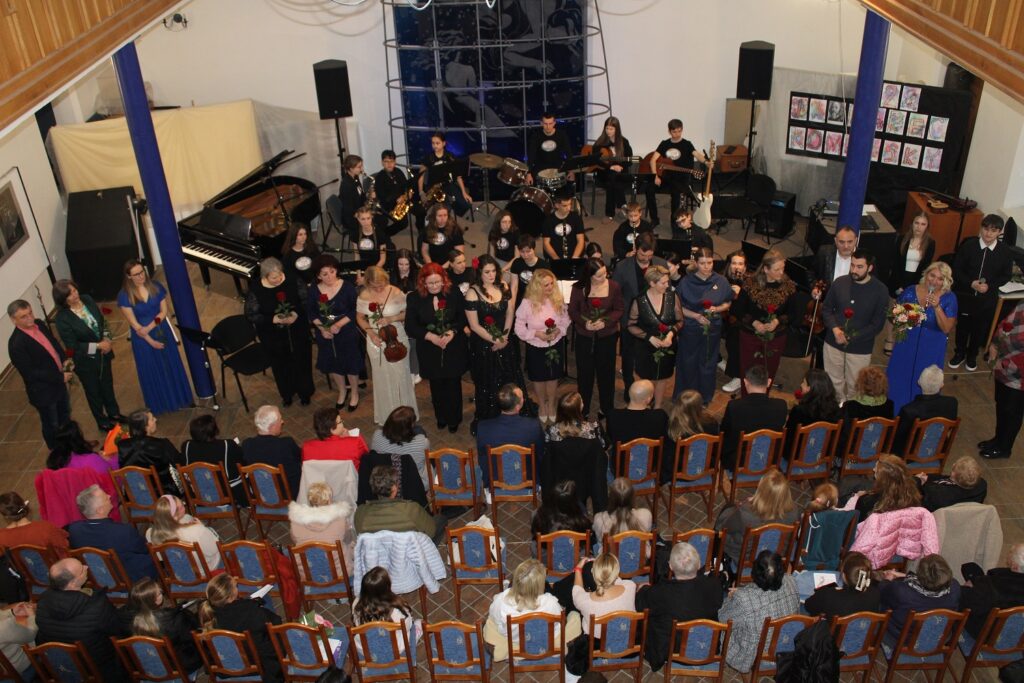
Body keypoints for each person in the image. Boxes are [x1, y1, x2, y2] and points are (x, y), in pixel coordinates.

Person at [117, 260, 193, 415]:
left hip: (160, 329)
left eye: (142, 272)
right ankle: (161, 404)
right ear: (129, 277)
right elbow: (135, 325)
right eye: (136, 274)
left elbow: (163, 312)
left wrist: (151, 326)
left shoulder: (156, 286)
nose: (141, 276)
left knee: (170, 364)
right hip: (143, 339)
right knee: (152, 370)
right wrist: (150, 341)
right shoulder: (124, 296)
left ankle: (179, 398)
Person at [635, 542, 724, 672]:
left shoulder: (662, 592)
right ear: (699, 564)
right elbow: (717, 603)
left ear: (670, 566)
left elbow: (640, 605)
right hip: (707, 647)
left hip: (673, 650)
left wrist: (642, 589)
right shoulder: (714, 585)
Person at [36, 558, 127, 682]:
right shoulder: (97, 605)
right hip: (99, 667)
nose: (86, 567)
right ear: (73, 583)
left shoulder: (42, 602)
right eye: (82, 569)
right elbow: (118, 629)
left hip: (65, 666)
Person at [465, 255, 527, 433]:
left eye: (493, 271)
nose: (491, 275)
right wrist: (496, 340)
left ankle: (512, 415)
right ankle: (491, 418)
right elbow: (474, 326)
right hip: (484, 345)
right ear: (479, 273)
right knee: (487, 382)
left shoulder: (503, 286)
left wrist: (504, 337)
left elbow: (510, 312)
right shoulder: (472, 293)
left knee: (508, 378)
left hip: (505, 341)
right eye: (487, 272)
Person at [404, 263, 470, 432]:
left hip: (453, 345)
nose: (434, 286)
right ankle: (441, 416)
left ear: (444, 280)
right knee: (436, 385)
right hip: (429, 348)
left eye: (437, 282)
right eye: (430, 283)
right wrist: (431, 336)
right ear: (423, 282)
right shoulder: (414, 298)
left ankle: (454, 419)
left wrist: (452, 332)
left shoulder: (454, 293)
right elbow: (410, 326)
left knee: (453, 384)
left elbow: (462, 317)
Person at [887, 262, 958, 413]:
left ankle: (920, 417)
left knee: (925, 381)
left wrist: (937, 307)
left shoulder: (950, 298)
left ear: (945, 281)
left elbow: (946, 328)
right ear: (926, 274)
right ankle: (895, 413)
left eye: (940, 279)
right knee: (898, 378)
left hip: (931, 348)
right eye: (932, 275)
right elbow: (893, 316)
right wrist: (906, 316)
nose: (934, 281)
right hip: (906, 344)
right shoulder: (910, 291)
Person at [820, 249, 890, 402]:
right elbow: (826, 309)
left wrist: (851, 337)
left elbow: (877, 325)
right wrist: (835, 329)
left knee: (856, 385)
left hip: (860, 348)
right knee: (833, 382)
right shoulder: (840, 282)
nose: (854, 270)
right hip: (833, 341)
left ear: (870, 268)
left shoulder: (880, 291)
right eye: (852, 265)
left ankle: (850, 411)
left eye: (859, 267)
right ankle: (836, 407)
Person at [245, 256, 314, 407]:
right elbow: (251, 314)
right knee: (280, 365)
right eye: (274, 278)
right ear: (265, 276)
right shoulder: (256, 289)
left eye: (280, 275)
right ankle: (287, 394)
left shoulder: (293, 279)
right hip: (273, 336)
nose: (278, 280)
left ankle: (305, 393)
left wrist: (296, 314)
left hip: (297, 330)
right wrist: (273, 319)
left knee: (302, 361)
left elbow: (306, 300)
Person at [53, 279, 120, 431]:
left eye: (74, 290)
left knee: (107, 385)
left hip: (104, 352)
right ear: (62, 299)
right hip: (85, 361)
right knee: (93, 391)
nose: (75, 294)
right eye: (70, 294)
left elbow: (102, 322)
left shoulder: (87, 299)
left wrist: (107, 339)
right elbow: (73, 346)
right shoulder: (62, 318)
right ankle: (102, 421)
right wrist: (98, 346)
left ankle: (114, 413)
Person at [483, 558, 582, 661]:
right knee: (574, 616)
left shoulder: (502, 600)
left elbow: (493, 615)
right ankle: (550, 649)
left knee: (490, 622)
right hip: (547, 640)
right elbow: (560, 621)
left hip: (515, 640)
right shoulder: (550, 602)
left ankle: (514, 652)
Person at [717, 550, 799, 674]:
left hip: (753, 656)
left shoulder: (743, 600)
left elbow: (722, 618)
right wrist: (742, 592)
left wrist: (731, 598)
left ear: (755, 573)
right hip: (786, 647)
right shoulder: (792, 581)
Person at [951, 214, 1014, 371]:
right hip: (967, 294)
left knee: (979, 329)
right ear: (981, 228)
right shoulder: (968, 246)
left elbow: (1006, 275)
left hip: (987, 299)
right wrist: (970, 283)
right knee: (963, 326)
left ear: (999, 232)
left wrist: (990, 286)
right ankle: (959, 352)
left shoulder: (1005, 251)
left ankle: (972, 356)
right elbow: (957, 269)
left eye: (993, 230)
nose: (988, 233)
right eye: (986, 229)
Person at [355, 266, 418, 426]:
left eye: (382, 284)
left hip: (396, 337)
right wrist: (371, 334)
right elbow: (360, 318)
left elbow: (408, 313)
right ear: (368, 283)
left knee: (401, 375)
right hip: (375, 339)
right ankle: (387, 415)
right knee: (381, 377)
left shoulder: (395, 292)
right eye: (375, 286)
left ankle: (406, 414)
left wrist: (391, 319)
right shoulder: (364, 295)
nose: (379, 288)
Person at [7, 299, 72, 448]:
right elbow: (31, 373)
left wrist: (64, 359)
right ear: (13, 320)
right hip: (44, 392)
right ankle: (57, 451)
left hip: (59, 382)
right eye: (24, 316)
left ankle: (70, 445)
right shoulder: (16, 344)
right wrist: (59, 377)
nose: (30, 318)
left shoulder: (39, 324)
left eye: (30, 313)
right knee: (52, 424)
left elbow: (53, 343)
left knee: (65, 415)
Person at [733, 248, 797, 389]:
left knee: (769, 371)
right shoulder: (750, 283)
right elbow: (737, 309)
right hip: (750, 335)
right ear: (766, 269)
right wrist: (754, 322)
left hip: (776, 337)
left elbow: (793, 313)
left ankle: (763, 398)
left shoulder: (789, 286)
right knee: (748, 370)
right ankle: (747, 398)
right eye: (777, 269)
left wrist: (777, 321)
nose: (781, 272)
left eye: (783, 268)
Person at [198, 573, 282, 681]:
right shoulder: (252, 612)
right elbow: (276, 622)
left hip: (224, 668)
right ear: (233, 594)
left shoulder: (206, 616)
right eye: (236, 586)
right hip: (256, 665)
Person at [568, 258, 624, 418]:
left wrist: (606, 322)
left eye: (605, 273)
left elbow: (619, 309)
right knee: (585, 374)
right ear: (589, 275)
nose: (604, 277)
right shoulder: (578, 288)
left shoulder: (614, 286)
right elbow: (573, 311)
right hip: (585, 337)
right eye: (599, 275)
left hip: (607, 337)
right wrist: (585, 324)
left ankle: (606, 408)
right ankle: (583, 408)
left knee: (606, 374)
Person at [675, 247, 732, 403]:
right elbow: (678, 307)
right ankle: (685, 396)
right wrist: (696, 316)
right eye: (702, 263)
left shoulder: (721, 281)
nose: (707, 267)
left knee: (708, 361)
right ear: (696, 263)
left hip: (712, 328)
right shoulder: (686, 282)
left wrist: (717, 309)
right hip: (691, 327)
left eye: (710, 262)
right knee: (688, 361)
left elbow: (728, 302)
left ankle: (704, 396)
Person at [67, 484, 157, 582]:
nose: (109, 496)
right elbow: (145, 549)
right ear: (100, 510)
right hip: (129, 578)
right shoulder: (124, 531)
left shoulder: (73, 530)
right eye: (105, 498)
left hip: (99, 578)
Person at [308, 254, 363, 412]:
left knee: (350, 363)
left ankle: (354, 392)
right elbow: (311, 312)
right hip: (325, 333)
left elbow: (355, 310)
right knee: (334, 364)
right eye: (325, 274)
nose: (330, 276)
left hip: (346, 330)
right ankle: (342, 391)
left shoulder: (347, 287)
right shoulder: (314, 290)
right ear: (318, 276)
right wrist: (322, 329)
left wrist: (338, 324)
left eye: (332, 272)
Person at [515, 267, 570, 422]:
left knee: (553, 376)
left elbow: (565, 319)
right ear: (537, 286)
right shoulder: (527, 303)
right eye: (546, 285)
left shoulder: (557, 299)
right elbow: (519, 328)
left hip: (555, 344)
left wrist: (559, 330)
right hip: (535, 346)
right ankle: (542, 404)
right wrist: (536, 334)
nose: (550, 287)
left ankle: (551, 404)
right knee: (538, 378)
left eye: (552, 283)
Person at [118, 577, 201, 674]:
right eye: (160, 593)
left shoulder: (122, 619)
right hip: (178, 666)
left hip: (145, 667)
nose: (162, 592)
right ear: (155, 600)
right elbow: (192, 638)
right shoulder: (175, 619)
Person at [627, 265, 683, 410]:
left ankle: (657, 407)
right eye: (663, 282)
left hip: (667, 345)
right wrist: (649, 338)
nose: (667, 285)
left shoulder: (672, 297)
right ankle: (643, 406)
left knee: (663, 377)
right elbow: (631, 325)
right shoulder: (639, 300)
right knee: (645, 378)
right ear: (652, 283)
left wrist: (670, 335)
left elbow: (680, 321)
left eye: (667, 281)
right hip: (645, 347)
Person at [719, 467, 799, 563]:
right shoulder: (794, 511)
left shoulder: (745, 513)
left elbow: (726, 527)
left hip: (746, 557)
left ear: (761, 490)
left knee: (725, 516)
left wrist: (742, 504)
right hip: (776, 555)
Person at [719, 365, 788, 473]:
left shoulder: (734, 406)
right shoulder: (781, 405)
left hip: (739, 461)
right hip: (769, 459)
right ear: (769, 382)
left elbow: (724, 432)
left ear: (745, 382)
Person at [476, 384, 545, 493]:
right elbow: (541, 453)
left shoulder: (483, 427)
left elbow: (482, 457)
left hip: (495, 484)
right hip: (528, 482)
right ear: (518, 406)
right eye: (522, 398)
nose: (524, 399)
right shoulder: (533, 426)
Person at [880, 553, 961, 643]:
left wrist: (887, 580)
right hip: (938, 638)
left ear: (919, 574)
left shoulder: (902, 591)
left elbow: (882, 590)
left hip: (904, 639)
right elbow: (932, 582)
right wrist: (904, 575)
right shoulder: (955, 588)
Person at [353, 465, 445, 543]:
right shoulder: (411, 509)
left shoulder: (360, 512)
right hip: (410, 553)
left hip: (378, 556)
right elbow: (431, 532)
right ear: (394, 489)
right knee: (440, 519)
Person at [886, 212, 935, 354]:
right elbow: (895, 263)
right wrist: (899, 285)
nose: (919, 227)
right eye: (916, 223)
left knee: (909, 313)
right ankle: (889, 339)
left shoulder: (930, 243)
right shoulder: (902, 239)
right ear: (912, 224)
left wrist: (912, 287)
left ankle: (902, 341)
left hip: (916, 281)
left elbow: (925, 267)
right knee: (893, 312)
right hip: (898, 279)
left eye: (923, 224)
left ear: (927, 226)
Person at [981, 300, 1024, 459]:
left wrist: (1002, 349)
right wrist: (994, 344)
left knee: (1012, 412)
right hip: (1004, 365)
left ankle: (1004, 448)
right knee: (1001, 404)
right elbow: (1005, 323)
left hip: (1019, 374)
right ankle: (998, 439)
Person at [644, 118, 702, 227]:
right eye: (674, 132)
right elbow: (652, 160)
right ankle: (655, 219)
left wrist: (706, 161)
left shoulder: (687, 144)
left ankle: (674, 222)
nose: (677, 134)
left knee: (676, 194)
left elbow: (697, 155)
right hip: (665, 177)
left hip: (680, 179)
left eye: (679, 131)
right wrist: (655, 176)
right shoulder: (665, 144)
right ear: (669, 131)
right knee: (649, 189)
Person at [959, 543, 1024, 639]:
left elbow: (970, 606)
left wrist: (967, 590)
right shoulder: (992, 582)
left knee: (958, 598)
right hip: (1017, 637)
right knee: (972, 569)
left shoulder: (992, 585)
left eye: (1010, 559)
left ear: (1015, 566)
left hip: (986, 635)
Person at [179, 413, 245, 505]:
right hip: (226, 497)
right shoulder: (227, 445)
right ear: (214, 430)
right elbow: (242, 462)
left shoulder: (186, 446)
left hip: (199, 498)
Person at [606, 379, 669, 476]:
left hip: (620, 468)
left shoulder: (613, 416)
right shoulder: (660, 416)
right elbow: (664, 438)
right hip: (650, 466)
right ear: (648, 399)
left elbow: (610, 438)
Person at [892, 365, 959, 455]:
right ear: (942, 385)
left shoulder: (909, 410)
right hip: (937, 450)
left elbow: (898, 438)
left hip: (910, 454)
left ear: (919, 382)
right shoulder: (952, 403)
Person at [352, 567, 421, 653]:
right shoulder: (396, 610)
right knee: (419, 623)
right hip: (394, 648)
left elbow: (356, 623)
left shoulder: (356, 604)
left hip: (366, 648)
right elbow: (407, 626)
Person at [288, 481, 354, 570]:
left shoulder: (296, 521)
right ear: (329, 500)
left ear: (310, 500)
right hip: (339, 571)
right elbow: (348, 538)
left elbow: (294, 540)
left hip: (308, 571)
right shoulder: (340, 520)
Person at [241, 405, 303, 500]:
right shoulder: (286, 444)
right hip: (290, 495)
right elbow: (301, 458)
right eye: (280, 420)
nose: (282, 422)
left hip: (264, 496)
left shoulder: (247, 445)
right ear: (272, 426)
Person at [146, 494, 222, 570]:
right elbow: (214, 550)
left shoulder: (150, 533)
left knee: (187, 517)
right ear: (176, 515)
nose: (184, 504)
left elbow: (160, 557)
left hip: (180, 571)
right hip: (205, 569)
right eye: (182, 504)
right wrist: (202, 527)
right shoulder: (197, 530)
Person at [117, 409, 181, 496]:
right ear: (145, 426)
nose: (155, 419)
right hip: (162, 494)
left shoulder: (122, 446)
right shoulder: (162, 444)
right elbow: (178, 463)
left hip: (135, 494)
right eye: (152, 419)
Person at [571, 553, 636, 638]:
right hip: (627, 639)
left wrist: (578, 569)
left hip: (596, 643)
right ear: (617, 572)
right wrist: (606, 569)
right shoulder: (631, 586)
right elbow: (617, 580)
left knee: (573, 614)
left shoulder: (584, 601)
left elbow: (577, 590)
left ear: (592, 572)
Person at [804, 551, 881, 619]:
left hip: (832, 630)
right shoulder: (875, 593)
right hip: (862, 630)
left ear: (844, 576)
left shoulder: (828, 595)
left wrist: (822, 592)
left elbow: (808, 606)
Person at [370, 406, 430, 489]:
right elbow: (426, 458)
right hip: (414, 482)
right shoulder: (422, 442)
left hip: (387, 480)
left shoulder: (376, 435)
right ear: (408, 429)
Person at [784, 369, 841, 455]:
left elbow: (788, 440)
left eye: (803, 383)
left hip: (796, 457)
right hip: (822, 457)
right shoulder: (836, 411)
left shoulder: (799, 411)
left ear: (810, 389)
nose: (801, 385)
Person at [850, 453, 923, 522]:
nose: (873, 469)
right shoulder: (913, 495)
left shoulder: (866, 501)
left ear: (882, 479)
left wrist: (856, 497)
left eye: (876, 470)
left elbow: (857, 525)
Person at [418, 131, 472, 218]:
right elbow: (420, 176)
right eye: (433, 143)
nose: (435, 145)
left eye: (437, 143)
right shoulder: (429, 157)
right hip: (434, 187)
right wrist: (421, 192)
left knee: (465, 204)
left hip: (448, 184)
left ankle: (446, 216)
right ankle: (435, 217)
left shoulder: (450, 156)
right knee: (446, 207)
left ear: (444, 143)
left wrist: (464, 193)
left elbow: (458, 176)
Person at [0, 491, 69, 555]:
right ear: (24, 505)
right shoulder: (45, 528)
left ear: (5, 516)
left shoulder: (2, 537)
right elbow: (64, 548)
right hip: (55, 564)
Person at [592, 116, 633, 220]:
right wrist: (611, 166)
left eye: (611, 129)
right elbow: (596, 161)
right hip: (604, 172)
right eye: (607, 128)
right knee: (612, 177)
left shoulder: (624, 142)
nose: (608, 131)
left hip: (621, 173)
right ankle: (622, 204)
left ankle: (609, 214)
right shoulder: (600, 142)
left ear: (617, 129)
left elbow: (629, 160)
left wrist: (620, 166)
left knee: (613, 180)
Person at [302, 408, 369, 470]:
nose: (342, 423)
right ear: (332, 429)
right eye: (340, 422)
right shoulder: (354, 443)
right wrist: (350, 438)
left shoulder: (306, 447)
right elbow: (366, 454)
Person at [720, 250, 748, 393]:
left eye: (740, 264)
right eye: (734, 263)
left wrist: (741, 293)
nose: (737, 267)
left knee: (735, 339)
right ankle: (718, 360)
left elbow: (750, 306)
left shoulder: (749, 282)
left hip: (740, 320)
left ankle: (738, 376)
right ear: (729, 265)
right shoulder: (722, 278)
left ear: (745, 267)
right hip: (723, 315)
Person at [373, 149, 419, 237]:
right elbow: (383, 198)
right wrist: (397, 198)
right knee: (403, 223)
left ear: (395, 162)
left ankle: (421, 230)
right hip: (389, 205)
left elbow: (406, 185)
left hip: (403, 200)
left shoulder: (398, 171)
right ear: (382, 163)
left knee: (420, 210)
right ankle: (384, 234)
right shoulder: (380, 177)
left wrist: (408, 192)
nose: (389, 164)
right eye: (386, 161)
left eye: (392, 161)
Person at [916, 455, 987, 511]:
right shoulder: (982, 486)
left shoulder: (936, 494)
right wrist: (929, 477)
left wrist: (918, 481)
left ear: (953, 474)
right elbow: (946, 478)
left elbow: (921, 500)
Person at [46, 420, 118, 476]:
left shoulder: (55, 459)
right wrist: (111, 460)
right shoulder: (91, 459)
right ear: (78, 438)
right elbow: (114, 475)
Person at [592, 477, 652, 542]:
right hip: (641, 549)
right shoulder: (646, 515)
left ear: (611, 498)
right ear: (632, 497)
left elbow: (599, 539)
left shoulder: (599, 519)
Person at [526, 113, 574, 188]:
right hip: (540, 166)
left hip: (557, 165)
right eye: (545, 124)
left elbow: (568, 152)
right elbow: (531, 155)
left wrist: (571, 171)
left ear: (554, 123)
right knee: (531, 182)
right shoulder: (535, 136)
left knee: (569, 181)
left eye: (550, 123)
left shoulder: (561, 135)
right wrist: (528, 173)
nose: (548, 127)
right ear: (541, 123)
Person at [666, 389, 720, 456]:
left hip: (681, 461)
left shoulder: (673, 426)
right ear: (700, 406)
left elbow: (670, 453)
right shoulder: (712, 423)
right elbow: (715, 448)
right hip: (707, 460)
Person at [508, 234, 551, 309]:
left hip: (538, 300)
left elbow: (547, 289)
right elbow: (514, 287)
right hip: (521, 299)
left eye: (528, 251)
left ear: (534, 249)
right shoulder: (516, 263)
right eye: (522, 252)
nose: (525, 255)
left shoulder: (544, 265)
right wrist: (512, 306)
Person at [543, 191, 585, 261]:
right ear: (557, 205)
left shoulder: (576, 217)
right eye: (565, 206)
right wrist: (557, 259)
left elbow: (580, 240)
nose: (569, 208)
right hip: (555, 257)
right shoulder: (548, 221)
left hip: (573, 255)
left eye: (570, 204)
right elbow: (546, 243)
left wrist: (574, 258)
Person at [0, 600, 36, 681]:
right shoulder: (5, 627)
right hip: (19, 669)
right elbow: (31, 634)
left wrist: (12, 612)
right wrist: (32, 615)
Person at [338, 154, 369, 240]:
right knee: (379, 221)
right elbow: (348, 209)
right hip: (351, 218)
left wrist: (368, 196)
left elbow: (361, 194)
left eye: (361, 166)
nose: (362, 169)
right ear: (351, 168)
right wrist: (364, 214)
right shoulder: (346, 185)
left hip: (358, 210)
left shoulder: (355, 177)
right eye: (359, 167)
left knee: (380, 218)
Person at [353, 207, 392, 271]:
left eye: (368, 218)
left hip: (378, 267)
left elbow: (382, 259)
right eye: (363, 219)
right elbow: (357, 257)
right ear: (358, 219)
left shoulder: (380, 234)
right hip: (363, 267)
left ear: (372, 218)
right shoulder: (355, 234)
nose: (366, 222)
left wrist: (372, 273)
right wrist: (358, 274)